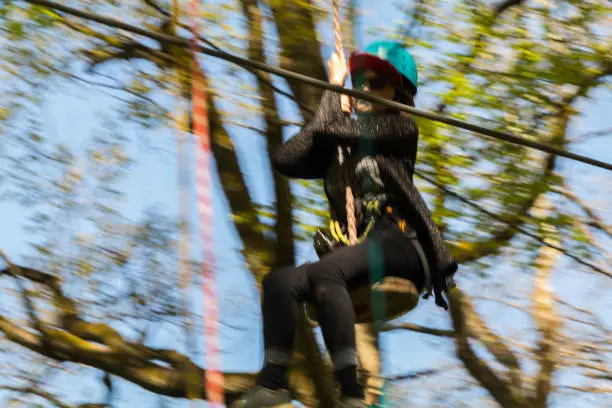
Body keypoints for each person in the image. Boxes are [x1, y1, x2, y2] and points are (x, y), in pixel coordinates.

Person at [231, 41, 457, 408]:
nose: (364, 88)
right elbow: (286, 158)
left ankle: (351, 394)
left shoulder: (400, 127)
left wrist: (336, 93)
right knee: (279, 284)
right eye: (360, 81)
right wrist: (332, 94)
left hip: (400, 242)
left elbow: (333, 131)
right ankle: (273, 383)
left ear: (398, 92)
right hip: (364, 248)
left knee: (324, 274)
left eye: (377, 82)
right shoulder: (340, 145)